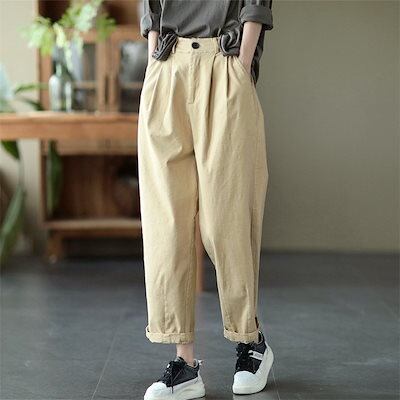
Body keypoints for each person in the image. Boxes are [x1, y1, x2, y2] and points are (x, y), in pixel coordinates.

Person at [137, 1, 274, 399]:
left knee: (226, 220)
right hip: (167, 63)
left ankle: (250, 342)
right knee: (168, 224)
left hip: (225, 61)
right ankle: (184, 364)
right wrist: (153, 59)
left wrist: (242, 63)